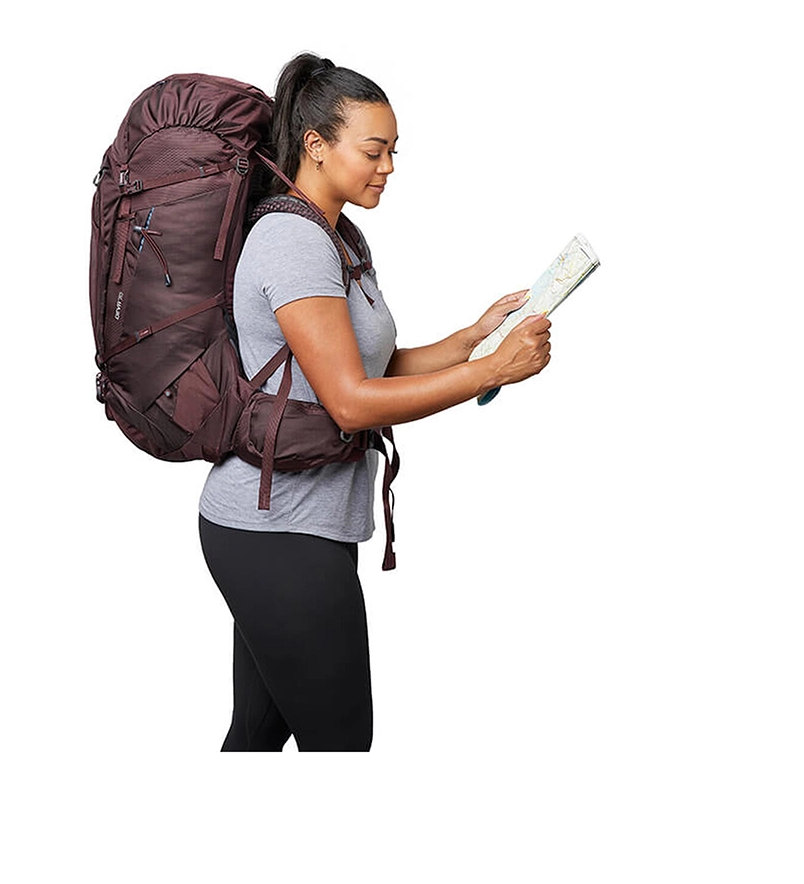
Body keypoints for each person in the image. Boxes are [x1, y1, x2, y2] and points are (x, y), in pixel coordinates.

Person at [198, 53, 551, 752]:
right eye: (373, 150)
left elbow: (373, 369)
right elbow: (354, 405)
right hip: (276, 533)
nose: (388, 166)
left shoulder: (335, 237)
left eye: (393, 150)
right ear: (315, 145)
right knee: (342, 745)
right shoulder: (292, 241)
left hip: (294, 526)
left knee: (258, 735)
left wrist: (474, 339)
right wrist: (492, 372)